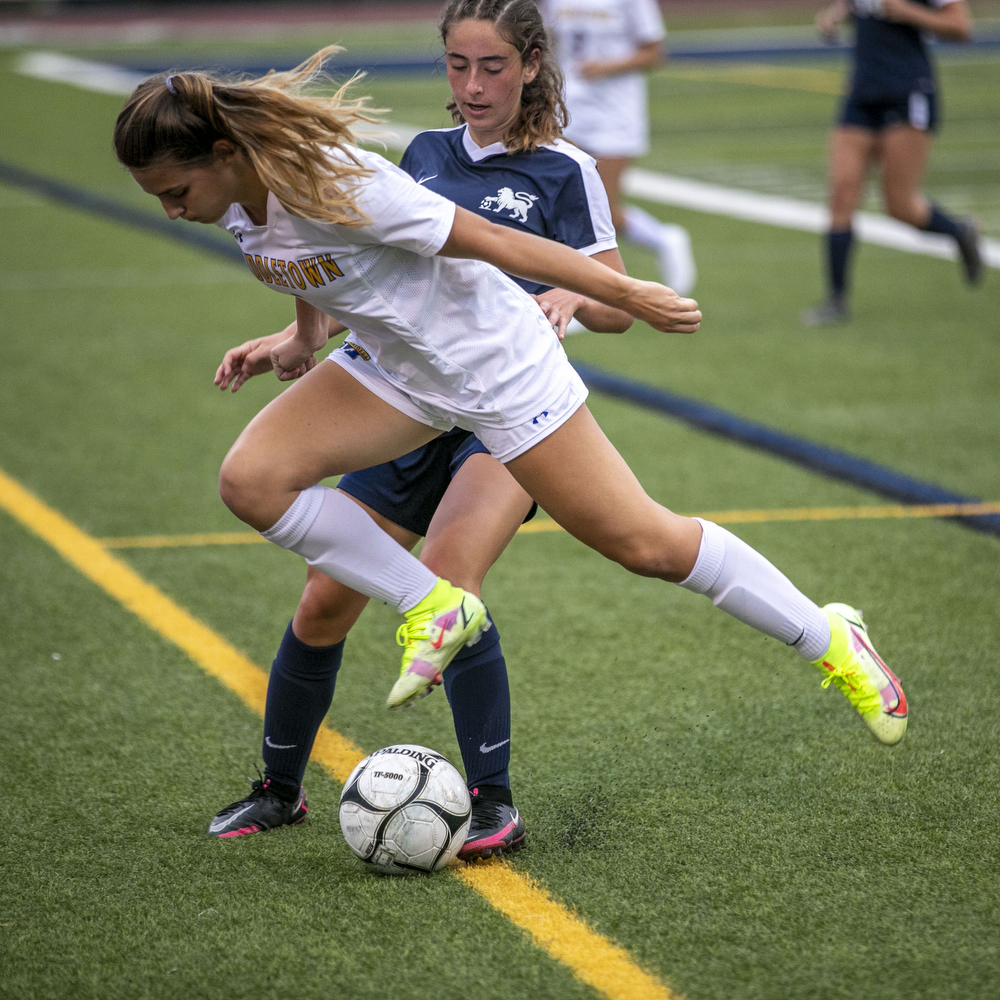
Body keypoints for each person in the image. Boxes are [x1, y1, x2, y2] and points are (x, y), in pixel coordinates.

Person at [115, 23, 908, 850]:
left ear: (221, 153)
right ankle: (428, 611)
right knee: (251, 481)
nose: (174, 210)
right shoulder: (242, 197)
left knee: (646, 544)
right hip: (395, 373)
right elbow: (307, 265)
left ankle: (831, 639)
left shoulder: (343, 184)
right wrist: (301, 338)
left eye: (175, 191)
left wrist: (625, 294)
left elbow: (497, 242)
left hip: (498, 370)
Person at [206, 0, 631, 856]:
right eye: (457, 67)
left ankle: (493, 801)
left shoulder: (565, 170)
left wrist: (572, 296)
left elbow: (615, 303)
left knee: (448, 582)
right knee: (327, 597)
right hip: (404, 400)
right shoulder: (424, 154)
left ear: (533, 67)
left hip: (507, 410)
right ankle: (278, 788)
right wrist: (302, 335)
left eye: (494, 68)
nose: (473, 86)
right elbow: (347, 253)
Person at [803, 0, 981, 326]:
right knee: (842, 192)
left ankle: (959, 232)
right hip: (862, 91)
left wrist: (908, 11)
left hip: (908, 90)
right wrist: (833, 15)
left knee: (899, 203)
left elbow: (961, 26)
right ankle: (836, 299)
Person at [541, 0, 697, 298]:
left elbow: (654, 53)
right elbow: (550, 39)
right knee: (563, 206)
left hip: (615, 112)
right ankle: (571, 295)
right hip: (569, 108)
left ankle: (662, 239)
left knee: (605, 212)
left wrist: (606, 66)